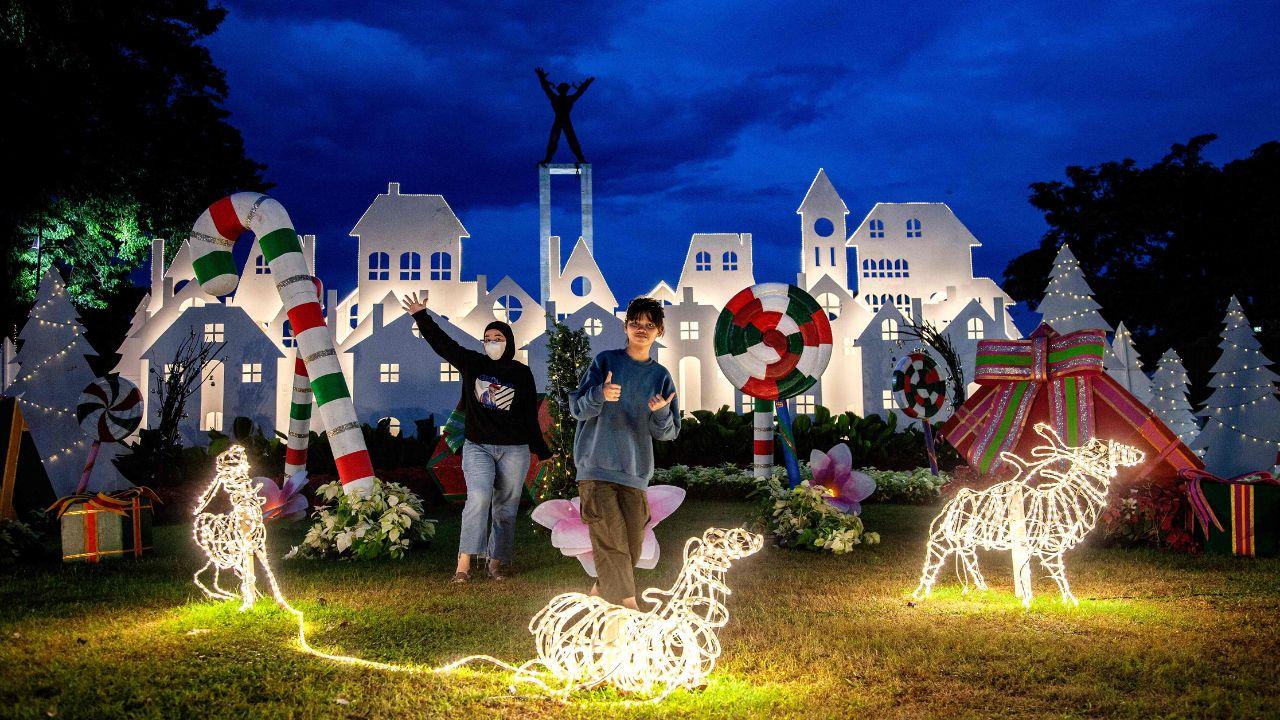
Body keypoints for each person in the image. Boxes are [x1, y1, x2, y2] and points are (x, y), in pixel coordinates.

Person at [400, 291, 551, 582]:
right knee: (479, 497)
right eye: (488, 338)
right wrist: (421, 315)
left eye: (498, 338)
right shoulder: (473, 363)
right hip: (478, 446)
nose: (492, 343)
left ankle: (497, 562)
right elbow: (444, 345)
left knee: (507, 507)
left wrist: (541, 450)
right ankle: (464, 563)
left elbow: (528, 416)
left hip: (514, 450)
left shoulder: (521, 373)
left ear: (509, 342)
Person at [569, 296, 680, 609]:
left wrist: (660, 412)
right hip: (596, 467)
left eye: (649, 325)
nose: (641, 329)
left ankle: (595, 599)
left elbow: (668, 432)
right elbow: (577, 408)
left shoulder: (661, 377)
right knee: (611, 541)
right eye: (635, 323)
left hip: (635, 472)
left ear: (659, 330)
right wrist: (599, 394)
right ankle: (630, 612)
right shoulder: (605, 362)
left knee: (630, 546)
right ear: (626, 325)